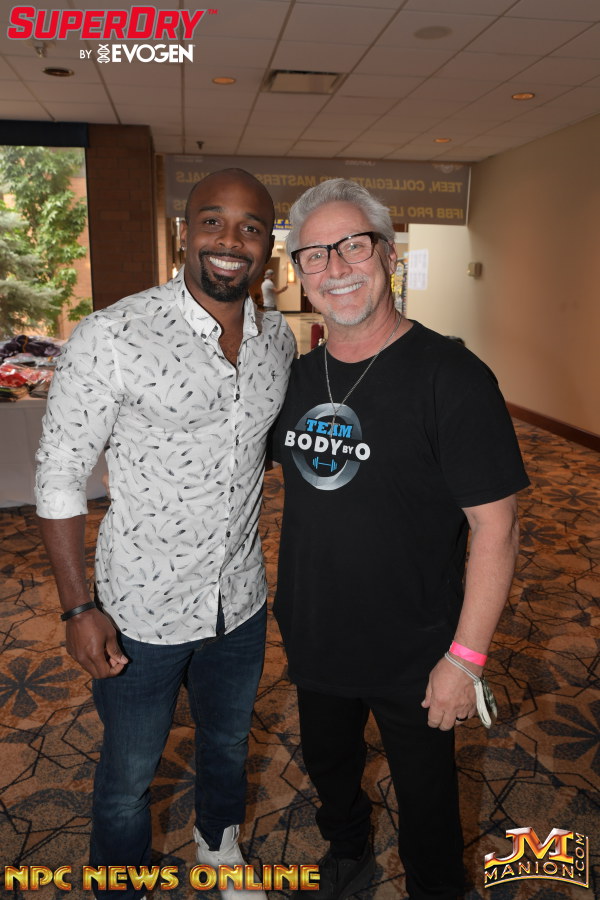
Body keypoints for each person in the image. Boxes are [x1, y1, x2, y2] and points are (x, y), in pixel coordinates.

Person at [35, 168, 295, 900]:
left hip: (239, 600)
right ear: (184, 233)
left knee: (228, 742)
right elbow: (59, 477)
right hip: (139, 610)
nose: (230, 240)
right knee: (129, 772)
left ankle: (219, 846)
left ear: (266, 246)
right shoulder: (113, 335)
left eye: (250, 227)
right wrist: (78, 608)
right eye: (212, 221)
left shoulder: (278, 341)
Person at [271, 179, 529, 900]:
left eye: (353, 245)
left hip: (417, 649)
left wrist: (466, 660)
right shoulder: (296, 379)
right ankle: (348, 848)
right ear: (300, 273)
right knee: (329, 769)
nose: (336, 268)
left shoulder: (453, 376)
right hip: (317, 635)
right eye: (315, 255)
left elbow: (497, 527)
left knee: (428, 804)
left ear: (388, 255)